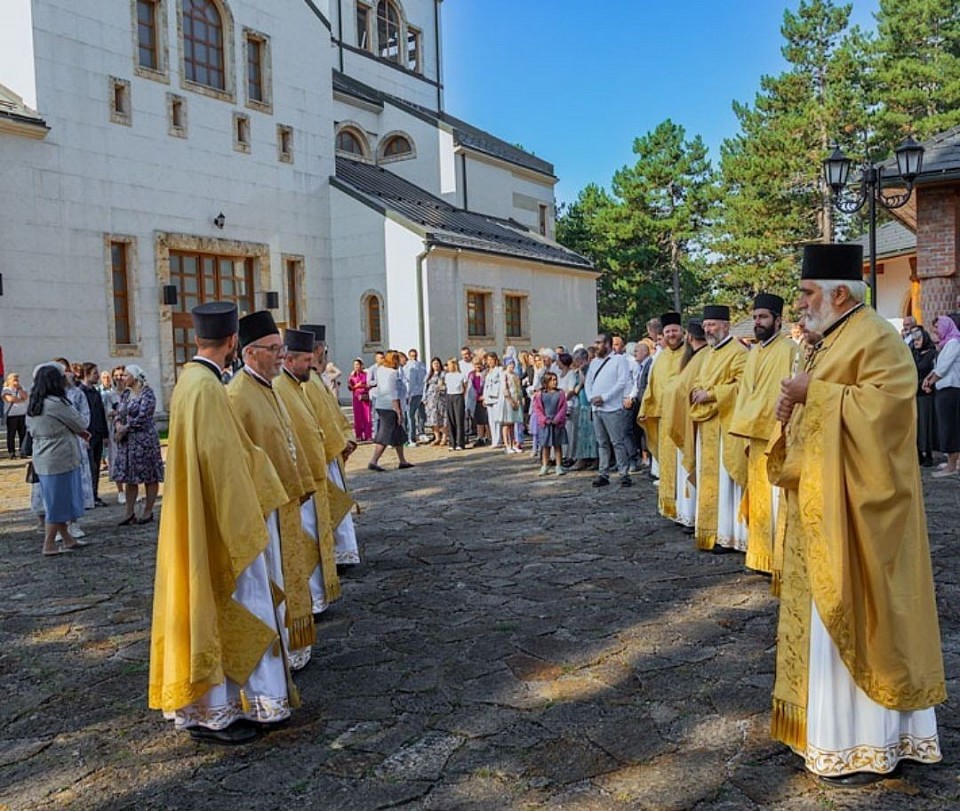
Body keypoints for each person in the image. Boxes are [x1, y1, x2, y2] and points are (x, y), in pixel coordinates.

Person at [768, 243, 944, 786]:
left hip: (865, 515)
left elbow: (888, 414)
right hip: (827, 505)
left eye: (806, 293)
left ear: (839, 293)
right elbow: (823, 406)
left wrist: (815, 394)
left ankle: (870, 743)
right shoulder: (829, 339)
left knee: (863, 615)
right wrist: (794, 404)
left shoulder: (876, 337)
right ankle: (830, 737)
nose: (800, 303)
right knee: (825, 622)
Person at [150, 301, 295, 745]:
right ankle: (223, 711)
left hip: (203, 514)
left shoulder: (190, 382)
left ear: (198, 338)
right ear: (234, 342)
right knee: (241, 605)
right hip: (224, 520)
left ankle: (214, 708)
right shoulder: (209, 389)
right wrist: (252, 516)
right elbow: (225, 464)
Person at [228, 311, 319, 672]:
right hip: (263, 508)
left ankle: (291, 642)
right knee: (271, 580)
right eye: (273, 348)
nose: (282, 354)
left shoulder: (269, 386)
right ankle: (275, 651)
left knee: (287, 573)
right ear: (250, 353)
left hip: (284, 501)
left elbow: (287, 441)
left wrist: (301, 482)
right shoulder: (237, 395)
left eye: (281, 348)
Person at [727, 294, 798, 576]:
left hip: (777, 436)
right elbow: (746, 391)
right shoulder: (754, 351)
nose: (758, 322)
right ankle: (760, 557)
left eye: (764, 317)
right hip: (754, 434)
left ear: (778, 320)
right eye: (755, 317)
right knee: (759, 498)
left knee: (776, 500)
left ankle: (779, 559)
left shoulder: (790, 349)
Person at [275, 329, 341, 616]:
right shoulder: (280, 387)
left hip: (312, 475)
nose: (312, 364)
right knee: (304, 543)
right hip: (296, 481)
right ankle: (311, 600)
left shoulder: (298, 384)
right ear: (289, 360)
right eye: (306, 360)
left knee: (316, 538)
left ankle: (317, 597)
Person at [299, 324, 361, 568]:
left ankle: (343, 552)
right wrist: (341, 442)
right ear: (318, 350)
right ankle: (339, 553)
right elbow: (323, 419)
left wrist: (346, 438)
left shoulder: (315, 380)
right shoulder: (310, 382)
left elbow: (332, 414)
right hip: (324, 454)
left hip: (329, 450)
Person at [689, 305, 748, 552]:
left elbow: (743, 386)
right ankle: (710, 532)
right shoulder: (709, 353)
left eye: (712, 324)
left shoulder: (739, 352)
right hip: (707, 426)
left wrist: (711, 395)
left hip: (725, 425)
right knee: (709, 480)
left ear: (726, 325)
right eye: (705, 325)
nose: (708, 329)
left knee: (725, 483)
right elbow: (698, 380)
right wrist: (695, 391)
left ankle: (729, 536)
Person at [26, 364, 90, 556]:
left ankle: (68, 539)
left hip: (42, 455)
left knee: (56, 498)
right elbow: (80, 422)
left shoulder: (35, 403)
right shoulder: (56, 403)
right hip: (60, 456)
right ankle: (49, 544)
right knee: (58, 503)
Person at [664, 320, 709, 530]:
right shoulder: (701, 355)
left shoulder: (701, 356)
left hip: (693, 420)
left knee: (693, 467)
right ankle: (687, 514)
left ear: (689, 337)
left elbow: (682, 388)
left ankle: (691, 515)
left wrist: (668, 393)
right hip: (690, 416)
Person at [638, 313, 686, 511]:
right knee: (667, 465)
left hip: (683, 422)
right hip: (663, 420)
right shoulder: (661, 357)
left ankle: (685, 511)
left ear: (682, 332)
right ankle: (670, 509)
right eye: (668, 331)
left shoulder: (690, 354)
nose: (671, 334)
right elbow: (652, 386)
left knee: (683, 468)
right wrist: (646, 409)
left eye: (674, 330)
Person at [113, 365, 164, 525]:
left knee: (149, 475)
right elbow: (119, 412)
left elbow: (144, 416)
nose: (122, 378)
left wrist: (125, 428)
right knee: (130, 477)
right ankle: (129, 512)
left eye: (125, 375)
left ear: (135, 377)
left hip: (144, 440)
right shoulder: (126, 394)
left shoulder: (147, 393)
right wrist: (118, 424)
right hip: (128, 442)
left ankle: (148, 511)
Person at [584, 333, 632, 488]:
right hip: (597, 408)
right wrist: (591, 397)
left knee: (617, 442)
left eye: (599, 342)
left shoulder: (619, 360)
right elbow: (588, 382)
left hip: (612, 408)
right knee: (602, 443)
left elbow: (621, 382)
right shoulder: (594, 362)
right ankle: (603, 473)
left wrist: (604, 397)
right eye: (595, 342)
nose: (596, 345)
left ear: (607, 344)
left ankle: (624, 473)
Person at [922, 315, 960, 477]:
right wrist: (928, 379)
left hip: (951, 390)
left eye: (937, 327)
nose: (935, 331)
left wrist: (930, 382)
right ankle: (952, 461)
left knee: (950, 428)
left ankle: (951, 466)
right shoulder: (945, 345)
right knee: (945, 427)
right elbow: (937, 367)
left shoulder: (954, 343)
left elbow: (943, 368)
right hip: (943, 390)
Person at [367, 350, 413, 471]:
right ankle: (374, 461)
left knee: (398, 434)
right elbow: (393, 393)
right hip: (390, 406)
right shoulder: (393, 373)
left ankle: (402, 460)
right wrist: (398, 411)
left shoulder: (380, 370)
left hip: (381, 403)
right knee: (385, 434)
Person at [78, 363, 110, 506]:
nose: (97, 376)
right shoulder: (80, 392)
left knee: (96, 466)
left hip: (97, 433)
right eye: (95, 373)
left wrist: (105, 434)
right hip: (87, 434)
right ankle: (88, 495)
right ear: (86, 374)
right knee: (89, 467)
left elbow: (101, 413)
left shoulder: (95, 392)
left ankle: (94, 494)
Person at [532, 371, 568, 476]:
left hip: (557, 423)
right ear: (546, 382)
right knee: (545, 446)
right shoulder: (540, 395)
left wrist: (557, 418)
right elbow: (537, 409)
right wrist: (544, 419)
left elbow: (563, 407)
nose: (554, 382)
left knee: (557, 445)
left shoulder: (560, 393)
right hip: (545, 424)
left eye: (555, 380)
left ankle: (558, 466)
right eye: (551, 380)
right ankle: (545, 465)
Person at [912, 326, 937, 467]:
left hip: (926, 393)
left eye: (919, 339)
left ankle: (928, 453)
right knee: (916, 425)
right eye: (914, 340)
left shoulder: (932, 354)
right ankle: (918, 453)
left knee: (926, 424)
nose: (916, 342)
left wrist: (926, 383)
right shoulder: (914, 354)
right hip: (914, 392)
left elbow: (934, 371)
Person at [571, 347, 598, 470]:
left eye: (577, 360)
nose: (576, 362)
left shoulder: (588, 369)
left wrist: (581, 374)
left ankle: (594, 459)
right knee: (583, 434)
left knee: (592, 434)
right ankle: (584, 458)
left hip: (589, 404)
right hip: (582, 404)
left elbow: (585, 383)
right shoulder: (579, 370)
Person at [403, 348, 427, 444]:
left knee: (421, 414)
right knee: (410, 415)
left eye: (415, 355)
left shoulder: (421, 365)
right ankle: (411, 436)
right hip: (412, 394)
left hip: (421, 392)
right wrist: (408, 394)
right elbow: (408, 381)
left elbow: (424, 378)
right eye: (412, 356)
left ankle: (421, 432)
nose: (414, 357)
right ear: (409, 356)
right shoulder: (407, 367)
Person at [3, 372, 29, 458]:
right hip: (12, 415)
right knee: (11, 434)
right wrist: (20, 400)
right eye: (14, 380)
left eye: (17, 380)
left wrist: (20, 389)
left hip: (22, 414)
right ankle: (12, 452)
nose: (16, 381)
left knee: (23, 434)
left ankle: (23, 451)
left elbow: (25, 396)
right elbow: (10, 399)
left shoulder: (21, 388)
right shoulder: (6, 389)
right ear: (9, 380)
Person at [501, 358, 524, 452]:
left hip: (516, 399)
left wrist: (519, 399)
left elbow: (518, 388)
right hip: (508, 400)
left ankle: (513, 443)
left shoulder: (515, 375)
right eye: (510, 364)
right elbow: (505, 389)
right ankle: (507, 445)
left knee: (513, 423)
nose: (512, 366)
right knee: (507, 423)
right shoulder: (504, 375)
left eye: (513, 364)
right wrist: (511, 401)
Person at [444, 357, 467, 450]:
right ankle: (452, 443)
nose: (449, 366)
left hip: (458, 396)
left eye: (450, 364)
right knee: (451, 420)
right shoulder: (447, 375)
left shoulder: (461, 375)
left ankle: (460, 443)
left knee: (459, 420)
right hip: (449, 396)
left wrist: (462, 396)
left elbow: (465, 387)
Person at [423, 356, 447, 446]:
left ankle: (444, 437)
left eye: (437, 363)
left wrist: (442, 387)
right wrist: (424, 398)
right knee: (433, 419)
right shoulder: (429, 375)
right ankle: (437, 437)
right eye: (434, 364)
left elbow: (446, 386)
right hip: (431, 400)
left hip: (441, 399)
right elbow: (425, 387)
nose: (436, 365)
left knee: (443, 418)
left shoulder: (444, 374)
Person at [348, 358, 373, 441]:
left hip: (364, 396)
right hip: (356, 397)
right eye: (355, 365)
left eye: (357, 364)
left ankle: (368, 435)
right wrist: (356, 386)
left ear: (361, 365)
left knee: (367, 416)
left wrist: (362, 385)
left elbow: (368, 384)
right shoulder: (352, 376)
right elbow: (350, 387)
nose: (356, 366)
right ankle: (358, 435)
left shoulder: (365, 374)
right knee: (358, 417)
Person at [482, 352, 504, 447]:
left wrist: (501, 396)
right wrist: (484, 397)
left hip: (496, 397)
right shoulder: (487, 372)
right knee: (491, 420)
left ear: (496, 360)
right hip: (489, 398)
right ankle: (494, 439)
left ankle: (498, 440)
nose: (490, 362)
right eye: (488, 360)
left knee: (497, 420)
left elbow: (502, 384)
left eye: (492, 360)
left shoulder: (499, 370)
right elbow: (486, 386)